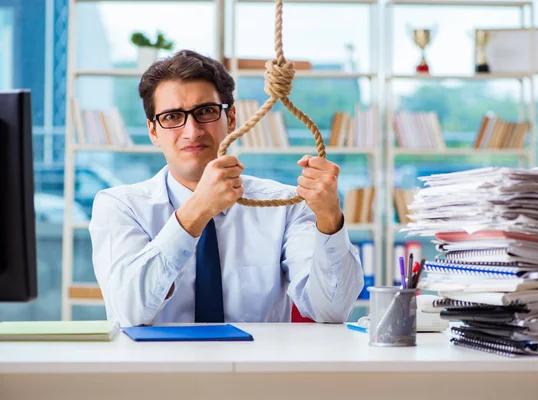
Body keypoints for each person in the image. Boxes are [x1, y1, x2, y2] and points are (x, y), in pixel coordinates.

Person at [89, 50, 364, 327]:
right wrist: (197, 211)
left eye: (206, 111)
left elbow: (332, 310)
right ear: (153, 131)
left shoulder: (284, 205)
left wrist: (330, 219)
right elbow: (127, 311)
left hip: (255, 368)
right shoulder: (119, 206)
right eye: (172, 117)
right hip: (159, 370)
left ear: (231, 119)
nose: (192, 131)